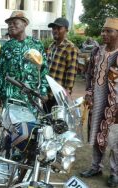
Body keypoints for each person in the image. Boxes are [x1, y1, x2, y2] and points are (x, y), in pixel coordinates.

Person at [80, 17, 118, 187]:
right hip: (97, 102)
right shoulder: (96, 52)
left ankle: (115, 173)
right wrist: (88, 92)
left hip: (116, 105)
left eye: (109, 31)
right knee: (96, 135)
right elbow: (89, 75)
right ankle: (96, 167)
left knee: (115, 140)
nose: (104, 34)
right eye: (103, 30)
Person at [0, 11, 49, 112]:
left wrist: (44, 91)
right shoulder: (6, 47)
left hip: (31, 98)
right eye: (9, 24)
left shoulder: (37, 45)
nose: (11, 26)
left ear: (25, 24)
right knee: (11, 127)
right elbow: (0, 72)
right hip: (10, 97)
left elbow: (44, 70)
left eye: (15, 22)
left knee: (32, 126)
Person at [46, 17, 78, 110]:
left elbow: (71, 73)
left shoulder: (70, 48)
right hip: (47, 93)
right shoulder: (51, 46)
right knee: (45, 121)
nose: (55, 31)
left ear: (66, 30)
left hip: (59, 95)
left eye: (59, 28)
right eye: (53, 28)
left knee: (56, 122)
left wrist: (66, 94)